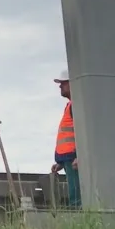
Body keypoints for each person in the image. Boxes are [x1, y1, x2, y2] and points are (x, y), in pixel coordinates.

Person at [50, 69, 81, 208]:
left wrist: (80, 156)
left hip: (74, 159)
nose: (60, 86)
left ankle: (78, 218)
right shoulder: (70, 106)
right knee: (73, 191)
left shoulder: (77, 106)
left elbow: (82, 133)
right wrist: (61, 163)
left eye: (63, 83)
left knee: (76, 196)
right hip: (69, 159)